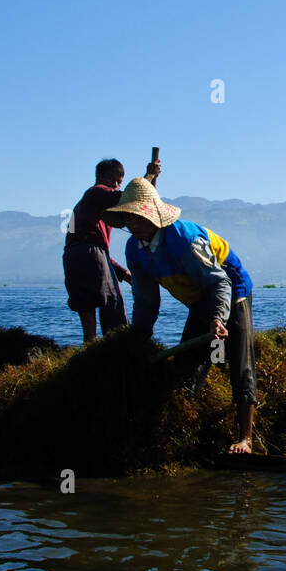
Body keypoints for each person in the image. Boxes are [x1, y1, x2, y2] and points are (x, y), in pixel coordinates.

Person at [103, 178, 257, 453]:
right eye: (128, 219)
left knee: (239, 361)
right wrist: (138, 339)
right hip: (199, 299)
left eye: (136, 218)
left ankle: (245, 438)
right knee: (185, 369)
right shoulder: (134, 251)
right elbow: (146, 302)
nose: (132, 225)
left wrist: (218, 319)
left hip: (232, 292)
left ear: (151, 216)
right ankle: (183, 429)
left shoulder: (184, 241)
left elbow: (220, 283)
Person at [64, 159, 133, 342]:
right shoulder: (97, 192)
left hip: (72, 257)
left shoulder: (83, 207)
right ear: (100, 177)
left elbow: (100, 254)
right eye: (114, 180)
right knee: (112, 304)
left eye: (120, 182)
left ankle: (90, 348)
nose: (116, 186)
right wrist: (150, 176)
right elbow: (129, 198)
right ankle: (120, 347)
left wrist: (125, 274)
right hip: (87, 253)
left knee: (87, 312)